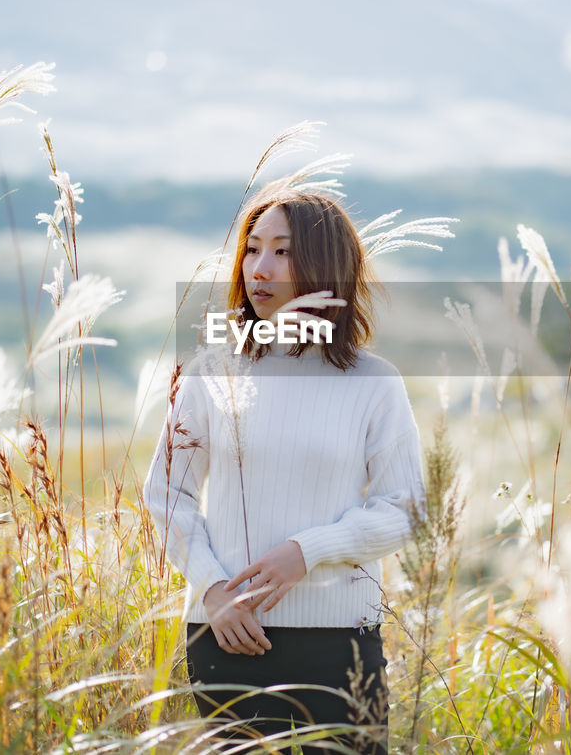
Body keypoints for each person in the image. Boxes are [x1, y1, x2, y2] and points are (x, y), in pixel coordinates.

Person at [143, 188, 426, 753]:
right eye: (251, 250)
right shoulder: (212, 372)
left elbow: (407, 509)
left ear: (325, 266)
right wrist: (213, 588)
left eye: (282, 252)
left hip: (342, 644)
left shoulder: (373, 382)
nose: (260, 269)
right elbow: (165, 494)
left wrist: (308, 550)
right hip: (227, 637)